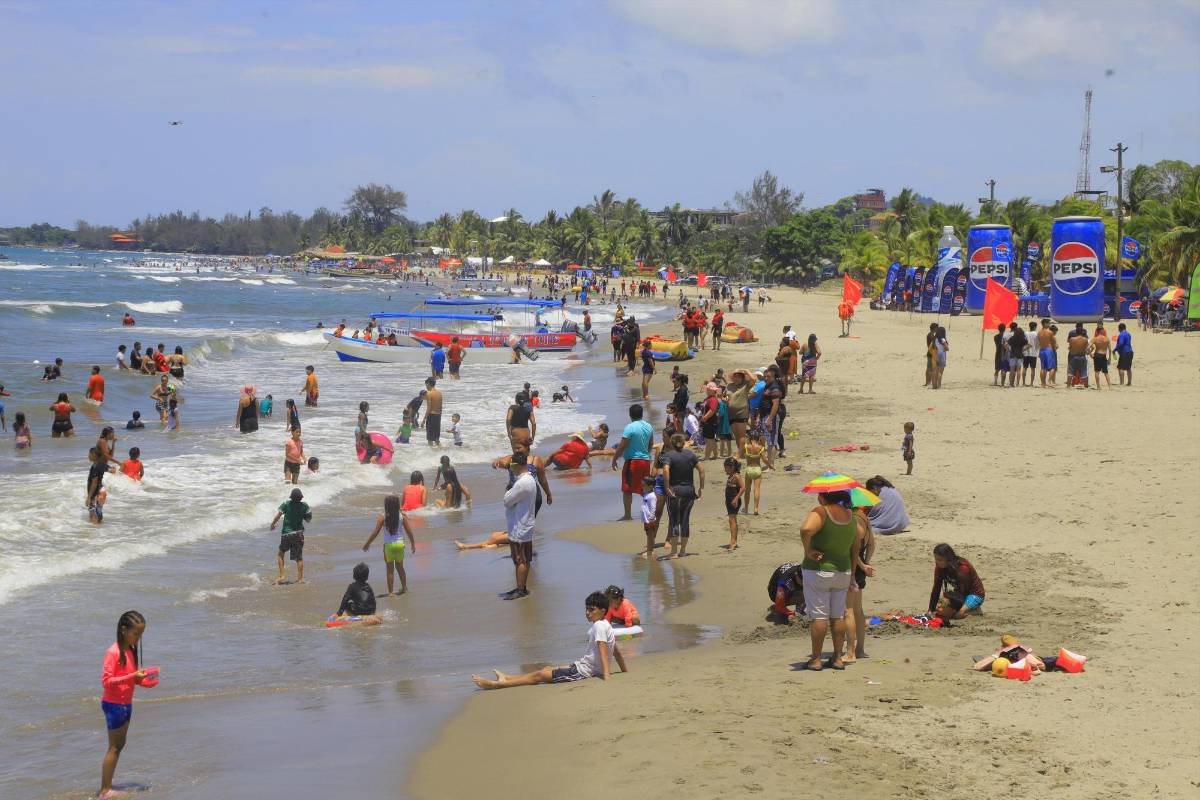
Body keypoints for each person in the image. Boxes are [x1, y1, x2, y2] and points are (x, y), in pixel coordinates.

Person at [471, 591, 627, 688]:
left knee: (539, 675)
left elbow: (603, 648)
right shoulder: (606, 625)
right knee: (545, 669)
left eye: (591, 609)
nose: (587, 613)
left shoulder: (599, 626)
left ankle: (497, 685)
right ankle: (508, 677)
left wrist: (607, 677)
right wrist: (624, 670)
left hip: (582, 671)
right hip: (581, 666)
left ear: (603, 610)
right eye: (586, 609)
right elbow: (616, 651)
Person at [798, 489, 875, 670]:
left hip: (819, 570)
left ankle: (816, 659)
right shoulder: (851, 515)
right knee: (837, 615)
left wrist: (808, 550)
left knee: (818, 615)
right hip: (843, 571)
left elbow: (806, 529)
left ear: (823, 496)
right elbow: (856, 547)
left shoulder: (821, 511)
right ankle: (837, 658)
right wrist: (854, 573)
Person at [99, 610, 151, 800]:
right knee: (114, 747)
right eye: (136, 633)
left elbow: (128, 680)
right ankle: (105, 791)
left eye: (141, 634)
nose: (139, 638)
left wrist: (143, 680)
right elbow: (106, 681)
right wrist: (132, 676)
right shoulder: (113, 652)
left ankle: (108, 785)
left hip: (125, 704)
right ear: (124, 630)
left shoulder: (130, 650)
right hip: (113, 704)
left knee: (119, 745)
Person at [843, 496, 876, 664]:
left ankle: (850, 652)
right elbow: (871, 545)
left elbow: (852, 551)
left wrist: (862, 566)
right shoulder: (865, 519)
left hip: (853, 568)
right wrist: (867, 562)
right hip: (861, 567)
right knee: (858, 610)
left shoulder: (853, 522)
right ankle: (860, 649)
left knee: (848, 610)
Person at [361, 495, 416, 595]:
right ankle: (404, 588)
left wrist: (367, 544)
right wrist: (413, 543)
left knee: (390, 570)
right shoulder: (402, 517)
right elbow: (409, 531)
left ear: (386, 506)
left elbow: (375, 532)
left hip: (389, 546)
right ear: (397, 505)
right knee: (400, 567)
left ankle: (390, 592)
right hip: (400, 544)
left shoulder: (382, 517)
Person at [501, 450, 538, 599]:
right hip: (525, 522)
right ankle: (521, 587)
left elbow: (507, 500)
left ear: (516, 465)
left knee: (519, 558)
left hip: (520, 524)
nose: (511, 469)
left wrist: (509, 490)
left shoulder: (522, 482)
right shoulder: (529, 479)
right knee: (525, 557)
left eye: (512, 466)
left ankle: (521, 589)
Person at [662, 433, 704, 559]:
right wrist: (701, 487)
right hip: (689, 491)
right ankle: (683, 551)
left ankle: (674, 552)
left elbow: (665, 470)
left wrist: (667, 486)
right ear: (684, 442)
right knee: (685, 520)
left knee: (674, 520)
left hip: (675, 491)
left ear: (672, 442)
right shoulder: (690, 454)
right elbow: (701, 469)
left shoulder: (668, 455)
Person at [611, 403, 655, 521]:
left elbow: (622, 445)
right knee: (645, 487)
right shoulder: (649, 426)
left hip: (633, 462)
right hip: (645, 461)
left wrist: (615, 458)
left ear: (630, 415)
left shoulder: (630, 427)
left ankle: (627, 515)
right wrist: (645, 453)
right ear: (641, 414)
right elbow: (651, 444)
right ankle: (651, 511)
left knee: (627, 488)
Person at [929, 543, 985, 621]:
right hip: (959, 591)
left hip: (975, 594)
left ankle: (976, 611)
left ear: (948, 559)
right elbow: (936, 588)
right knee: (940, 612)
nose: (937, 562)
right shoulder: (939, 567)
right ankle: (957, 609)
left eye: (940, 560)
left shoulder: (962, 568)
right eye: (936, 560)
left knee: (958, 615)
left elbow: (964, 592)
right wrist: (931, 610)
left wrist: (949, 603)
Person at [269, 488, 310, 583]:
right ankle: (300, 579)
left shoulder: (286, 504)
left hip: (286, 534)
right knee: (299, 557)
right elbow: (308, 519)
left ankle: (282, 575)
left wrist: (272, 524)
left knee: (280, 554)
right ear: (301, 498)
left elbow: (278, 516)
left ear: (291, 497)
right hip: (298, 534)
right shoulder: (304, 506)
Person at [87, 446, 114, 523]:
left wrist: (89, 497)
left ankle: (94, 533)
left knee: (93, 516)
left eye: (89, 454)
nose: (88, 456)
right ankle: (100, 532)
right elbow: (112, 470)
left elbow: (94, 482)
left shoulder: (95, 466)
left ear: (94, 455)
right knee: (98, 513)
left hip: (96, 493)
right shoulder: (102, 464)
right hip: (102, 491)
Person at [742, 430, 766, 514]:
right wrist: (770, 466)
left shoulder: (746, 447)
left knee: (747, 490)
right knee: (757, 489)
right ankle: (756, 508)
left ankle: (746, 508)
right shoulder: (760, 448)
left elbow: (740, 455)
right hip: (757, 469)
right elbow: (764, 460)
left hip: (749, 469)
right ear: (758, 438)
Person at [723, 457, 744, 550]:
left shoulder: (736, 476)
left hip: (734, 501)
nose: (725, 469)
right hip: (729, 500)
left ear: (731, 467)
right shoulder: (731, 476)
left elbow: (743, 488)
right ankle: (733, 541)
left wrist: (736, 499)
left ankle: (733, 542)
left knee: (733, 521)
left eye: (726, 467)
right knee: (731, 520)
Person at [1067, 322, 1089, 388]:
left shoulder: (1072, 339)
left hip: (1073, 356)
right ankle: (1086, 386)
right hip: (1082, 356)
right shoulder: (1085, 339)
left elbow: (1070, 348)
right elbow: (1086, 348)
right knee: (1084, 372)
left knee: (1070, 372)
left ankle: (1068, 386)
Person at [1089, 324, 1112, 389]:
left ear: (1097, 331)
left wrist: (1091, 354)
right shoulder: (1107, 339)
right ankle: (1110, 386)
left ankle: (1098, 386)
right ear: (1102, 331)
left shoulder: (1095, 339)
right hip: (1104, 355)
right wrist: (1109, 359)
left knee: (1097, 371)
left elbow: (1088, 347)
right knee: (1106, 372)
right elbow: (1110, 349)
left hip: (1097, 355)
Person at [1037, 318, 1058, 387]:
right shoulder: (1050, 332)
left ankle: (1043, 383)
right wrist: (1054, 350)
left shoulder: (1039, 332)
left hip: (1042, 350)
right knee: (1052, 367)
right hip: (1048, 350)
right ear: (1045, 324)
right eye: (1049, 323)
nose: (1049, 324)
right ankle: (1049, 381)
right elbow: (1053, 343)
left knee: (1043, 368)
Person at [424, 378, 443, 446]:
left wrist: (424, 419)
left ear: (429, 384)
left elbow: (429, 408)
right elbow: (440, 407)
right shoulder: (440, 393)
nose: (426, 387)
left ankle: (431, 453)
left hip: (431, 416)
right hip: (438, 416)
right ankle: (440, 450)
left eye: (426, 385)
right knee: (436, 438)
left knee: (430, 438)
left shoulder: (429, 394)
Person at [1022, 321, 1039, 386]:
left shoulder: (1025, 333)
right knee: (1033, 369)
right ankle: (1031, 383)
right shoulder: (1036, 334)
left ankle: (1023, 382)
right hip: (1034, 353)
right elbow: (1037, 343)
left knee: (1024, 367)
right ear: (1035, 327)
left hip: (1026, 352)